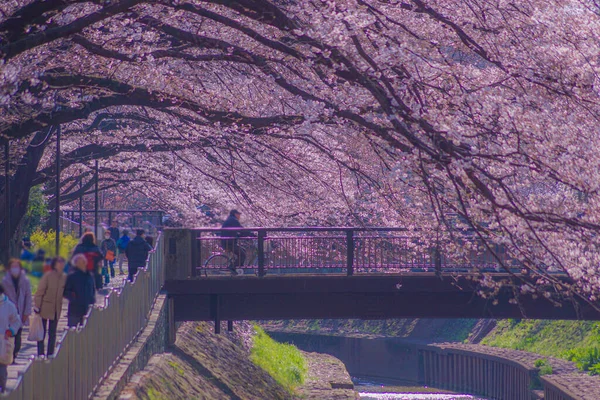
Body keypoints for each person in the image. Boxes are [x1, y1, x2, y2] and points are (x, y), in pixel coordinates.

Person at [33, 257, 67, 357]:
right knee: (41, 333)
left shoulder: (64, 277)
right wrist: (37, 306)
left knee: (52, 334)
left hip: (56, 309)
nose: (61, 264)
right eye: (59, 262)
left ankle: (50, 354)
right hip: (45, 308)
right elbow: (40, 292)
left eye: (62, 262)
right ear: (54, 264)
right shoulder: (48, 276)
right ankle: (40, 354)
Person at [1, 259, 32, 360]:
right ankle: (11, 354)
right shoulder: (5, 281)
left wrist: (27, 312)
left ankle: (15, 352)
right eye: (13, 266)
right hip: (9, 312)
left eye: (17, 266)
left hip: (21, 310)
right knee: (11, 335)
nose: (15, 269)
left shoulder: (25, 281)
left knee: (18, 336)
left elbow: (28, 296)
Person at [63, 254, 95, 327]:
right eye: (80, 262)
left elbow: (92, 290)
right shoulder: (72, 276)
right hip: (75, 310)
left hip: (87, 309)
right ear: (76, 264)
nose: (82, 264)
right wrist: (74, 299)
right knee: (73, 332)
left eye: (83, 262)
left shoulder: (89, 276)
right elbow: (66, 292)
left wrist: (92, 301)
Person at [0, 284, 21, 392]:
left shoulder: (8, 306)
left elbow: (17, 321)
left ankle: (2, 391)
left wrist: (11, 331)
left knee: (2, 370)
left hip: (3, 343)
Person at [220, 209, 254, 274]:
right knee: (242, 255)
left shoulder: (230, 220)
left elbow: (237, 231)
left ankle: (238, 268)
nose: (239, 216)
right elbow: (241, 229)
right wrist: (252, 235)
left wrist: (243, 235)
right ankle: (233, 267)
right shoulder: (233, 220)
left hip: (227, 242)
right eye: (238, 214)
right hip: (229, 243)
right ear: (235, 214)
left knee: (243, 250)